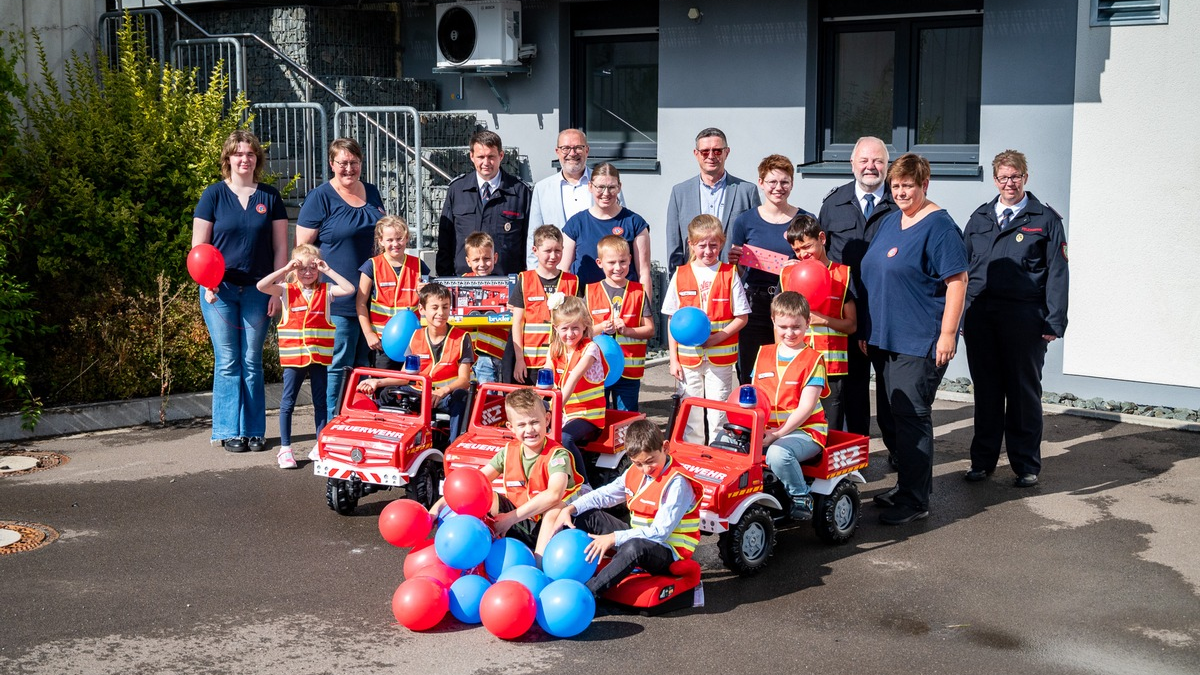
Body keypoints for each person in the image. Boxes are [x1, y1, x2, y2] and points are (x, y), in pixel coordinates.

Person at [860, 154, 968, 525]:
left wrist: (948, 334)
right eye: (896, 186)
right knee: (893, 417)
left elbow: (958, 282)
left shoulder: (940, 226)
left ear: (924, 184)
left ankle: (916, 500)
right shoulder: (892, 220)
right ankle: (905, 486)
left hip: (919, 340)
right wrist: (868, 330)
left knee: (911, 417)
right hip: (885, 338)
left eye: (909, 185)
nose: (902, 192)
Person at [962, 150, 1069, 488]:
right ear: (995, 180)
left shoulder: (1045, 219)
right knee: (987, 391)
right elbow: (962, 270)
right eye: (1003, 177)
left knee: (1023, 393)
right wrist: (959, 317)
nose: (1009, 183)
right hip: (981, 317)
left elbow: (1057, 273)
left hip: (1024, 317)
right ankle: (983, 462)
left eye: (1015, 177)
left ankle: (1025, 465)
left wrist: (1054, 321)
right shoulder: (980, 217)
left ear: (1025, 177)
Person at [192, 130, 288, 453]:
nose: (244, 159)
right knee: (228, 361)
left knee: (251, 360)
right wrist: (207, 282)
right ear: (228, 159)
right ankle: (228, 430)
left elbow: (281, 249)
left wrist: (277, 291)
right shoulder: (213, 195)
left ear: (257, 159)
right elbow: (199, 248)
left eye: (250, 153)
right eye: (238, 153)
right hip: (219, 291)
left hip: (259, 291)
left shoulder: (270, 197)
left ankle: (254, 430)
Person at [546, 419, 702, 598]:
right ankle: (558, 572)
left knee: (634, 547)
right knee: (586, 515)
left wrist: (613, 538)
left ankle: (588, 593)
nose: (645, 469)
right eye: (638, 463)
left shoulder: (678, 483)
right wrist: (571, 508)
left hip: (669, 552)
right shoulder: (634, 472)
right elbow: (604, 495)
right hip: (640, 537)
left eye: (650, 461)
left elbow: (659, 533)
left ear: (665, 448)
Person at [428, 387, 584, 555]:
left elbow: (554, 494)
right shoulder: (509, 451)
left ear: (547, 419)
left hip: (557, 525)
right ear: (511, 427)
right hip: (523, 519)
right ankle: (470, 552)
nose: (529, 430)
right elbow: (473, 483)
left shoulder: (558, 455)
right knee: (486, 497)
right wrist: (436, 507)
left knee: (554, 509)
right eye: (522, 424)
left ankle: (539, 564)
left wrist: (509, 519)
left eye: (534, 422)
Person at [296, 137, 386, 418]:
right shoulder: (320, 197)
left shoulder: (372, 192)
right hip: (337, 300)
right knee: (338, 366)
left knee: (365, 366)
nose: (349, 168)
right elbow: (302, 252)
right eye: (343, 163)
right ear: (332, 164)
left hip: (373, 299)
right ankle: (329, 425)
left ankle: (358, 422)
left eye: (354, 162)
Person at [817, 136, 894, 441]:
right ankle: (854, 451)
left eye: (877, 161)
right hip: (845, 310)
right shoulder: (833, 203)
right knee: (851, 389)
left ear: (887, 165)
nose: (870, 167)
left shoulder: (900, 202)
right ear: (852, 164)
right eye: (864, 160)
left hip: (886, 310)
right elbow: (821, 256)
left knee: (891, 389)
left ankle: (897, 451)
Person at [255, 245, 355, 468]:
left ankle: (320, 445)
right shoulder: (286, 289)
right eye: (302, 268)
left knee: (320, 402)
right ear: (295, 269)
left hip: (319, 356)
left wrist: (328, 270)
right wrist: (285, 269)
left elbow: (349, 289)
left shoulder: (327, 290)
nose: (307, 273)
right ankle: (285, 449)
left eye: (313, 268)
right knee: (287, 402)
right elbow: (261, 286)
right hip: (294, 357)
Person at [661, 215, 750, 444]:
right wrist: (673, 359)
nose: (708, 251)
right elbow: (672, 319)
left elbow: (742, 317)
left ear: (721, 243)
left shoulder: (729, 273)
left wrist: (717, 338)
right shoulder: (681, 274)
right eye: (702, 245)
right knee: (691, 412)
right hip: (687, 359)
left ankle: (717, 452)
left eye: (713, 245)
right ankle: (693, 454)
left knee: (718, 411)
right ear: (691, 244)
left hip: (720, 359)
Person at [728, 154, 812, 384]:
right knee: (751, 370)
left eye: (784, 182)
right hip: (754, 304)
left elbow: (814, 263)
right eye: (772, 182)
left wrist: (798, 267)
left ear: (792, 184)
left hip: (790, 304)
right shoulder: (744, 221)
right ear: (761, 183)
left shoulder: (805, 219)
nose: (778, 188)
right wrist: (735, 263)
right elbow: (739, 275)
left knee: (789, 369)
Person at [751, 291, 831, 521]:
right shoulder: (763, 353)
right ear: (773, 321)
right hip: (769, 429)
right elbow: (752, 395)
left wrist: (777, 434)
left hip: (806, 432)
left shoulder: (813, 360)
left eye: (796, 327)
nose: (789, 333)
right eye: (783, 326)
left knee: (778, 454)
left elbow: (806, 408)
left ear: (807, 322)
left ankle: (801, 495)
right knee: (725, 444)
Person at [356, 282, 472, 439]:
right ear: (422, 309)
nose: (441, 313)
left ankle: (453, 445)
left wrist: (443, 391)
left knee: (461, 397)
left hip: (446, 395)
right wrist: (377, 382)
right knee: (386, 394)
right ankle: (390, 440)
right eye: (435, 307)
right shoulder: (416, 336)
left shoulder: (462, 337)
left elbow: (464, 380)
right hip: (420, 393)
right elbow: (406, 376)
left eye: (445, 307)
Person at [783, 215, 858, 432]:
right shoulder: (787, 275)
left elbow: (852, 325)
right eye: (797, 250)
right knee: (796, 425)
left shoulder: (843, 275)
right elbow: (778, 324)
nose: (803, 254)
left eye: (807, 246)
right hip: (797, 366)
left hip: (831, 369)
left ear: (822, 238)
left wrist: (822, 319)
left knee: (831, 428)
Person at [436, 129, 531, 277]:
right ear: (471, 156)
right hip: (463, 280)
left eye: (491, 157)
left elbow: (529, 240)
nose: (486, 163)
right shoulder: (457, 190)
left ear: (501, 156)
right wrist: (445, 277)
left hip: (507, 281)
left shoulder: (520, 192)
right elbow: (445, 239)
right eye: (480, 157)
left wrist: (525, 279)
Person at [526, 129, 625, 269]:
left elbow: (621, 227)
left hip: (599, 270)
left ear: (587, 150)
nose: (572, 153)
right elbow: (534, 235)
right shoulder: (542, 188)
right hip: (556, 270)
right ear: (557, 152)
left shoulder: (607, 185)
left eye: (578, 147)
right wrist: (534, 273)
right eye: (566, 148)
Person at [665, 128, 761, 268]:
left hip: (734, 275)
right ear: (696, 154)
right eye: (705, 151)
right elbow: (674, 243)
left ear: (726, 152)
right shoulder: (680, 193)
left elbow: (756, 240)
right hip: (693, 276)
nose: (711, 156)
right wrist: (677, 276)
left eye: (717, 151)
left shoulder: (747, 191)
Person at [584, 235, 655, 411]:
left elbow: (650, 329)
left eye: (622, 261)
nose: (618, 267)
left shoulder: (638, 292)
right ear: (600, 263)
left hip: (629, 371)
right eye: (611, 262)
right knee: (597, 417)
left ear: (630, 260)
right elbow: (582, 332)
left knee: (627, 418)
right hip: (598, 368)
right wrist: (601, 328)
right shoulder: (591, 292)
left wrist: (627, 330)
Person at [544, 296, 606, 487]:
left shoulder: (590, 349)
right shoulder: (554, 349)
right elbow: (544, 382)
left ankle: (584, 484)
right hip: (563, 413)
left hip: (588, 415)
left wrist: (551, 412)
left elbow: (572, 381)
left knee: (564, 438)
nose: (570, 334)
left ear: (585, 326)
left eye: (575, 328)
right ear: (556, 328)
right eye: (565, 328)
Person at [355, 215, 429, 371]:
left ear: (407, 238)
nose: (395, 244)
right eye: (390, 240)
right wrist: (368, 334)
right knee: (384, 383)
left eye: (399, 238)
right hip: (383, 342)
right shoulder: (371, 266)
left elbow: (429, 302)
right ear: (381, 241)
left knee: (413, 383)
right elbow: (360, 304)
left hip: (413, 340)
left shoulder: (419, 265)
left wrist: (425, 293)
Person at [560, 163, 651, 287]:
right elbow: (564, 271)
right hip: (584, 297)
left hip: (625, 297)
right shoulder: (576, 223)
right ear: (590, 186)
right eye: (600, 187)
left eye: (611, 187)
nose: (606, 193)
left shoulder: (635, 223)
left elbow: (644, 273)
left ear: (619, 187)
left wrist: (645, 300)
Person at [509, 225, 579, 385]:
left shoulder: (572, 282)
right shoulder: (524, 280)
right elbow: (517, 323)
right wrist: (519, 359)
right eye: (548, 251)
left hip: (562, 360)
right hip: (531, 362)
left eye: (558, 250)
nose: (553, 256)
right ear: (535, 250)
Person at [462, 231, 506, 384]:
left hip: (492, 353)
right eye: (476, 260)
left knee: (487, 395)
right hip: (467, 354)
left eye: (487, 258)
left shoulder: (505, 284)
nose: (482, 264)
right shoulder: (461, 281)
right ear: (468, 261)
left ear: (495, 258)